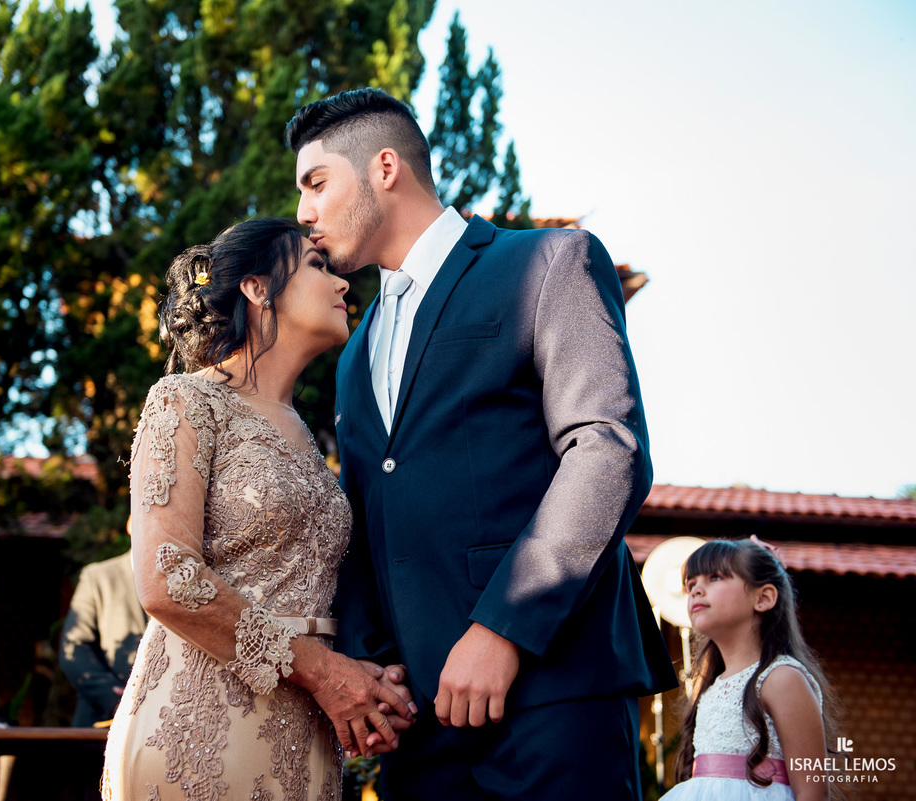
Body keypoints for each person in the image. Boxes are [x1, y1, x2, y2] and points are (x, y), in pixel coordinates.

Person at [284, 87, 678, 799]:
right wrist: (370, 669)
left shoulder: (551, 262)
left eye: (316, 184)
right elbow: (366, 513)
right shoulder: (353, 351)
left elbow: (606, 448)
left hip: (553, 695)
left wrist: (504, 628)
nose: (304, 212)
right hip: (421, 730)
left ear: (384, 167)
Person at [101, 218, 413, 801]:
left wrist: (368, 684)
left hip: (307, 731)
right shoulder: (186, 400)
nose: (344, 284)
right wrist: (322, 672)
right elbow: (166, 579)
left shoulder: (317, 436)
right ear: (257, 288)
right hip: (199, 727)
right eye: (318, 266)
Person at [663, 538, 837, 801]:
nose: (696, 589)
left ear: (763, 598)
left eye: (715, 577)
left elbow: (812, 794)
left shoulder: (781, 678)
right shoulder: (709, 687)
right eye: (690, 584)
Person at [60, 552, 149, 727]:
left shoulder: (187, 574)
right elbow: (75, 646)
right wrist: (114, 698)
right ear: (131, 525)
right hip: (102, 719)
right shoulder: (98, 577)